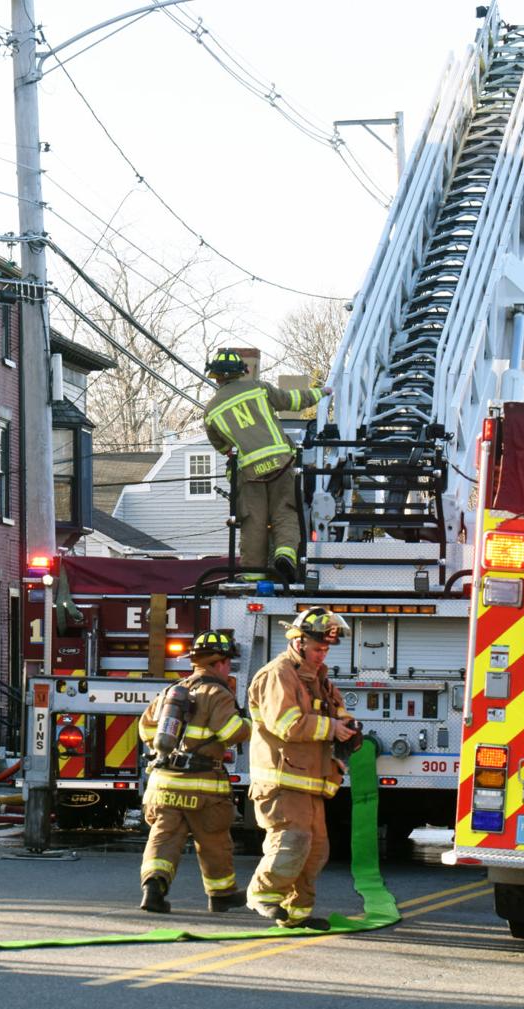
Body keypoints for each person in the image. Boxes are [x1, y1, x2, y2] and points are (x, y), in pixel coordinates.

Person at [245, 607, 358, 929]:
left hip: (310, 781)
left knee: (315, 852)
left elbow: (337, 711)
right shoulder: (277, 674)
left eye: (325, 649)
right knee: (291, 841)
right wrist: (332, 729)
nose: (322, 655)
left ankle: (297, 913)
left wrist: (349, 728)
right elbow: (286, 724)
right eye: (317, 648)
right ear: (298, 643)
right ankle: (263, 894)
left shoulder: (318, 678)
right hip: (282, 780)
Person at [136, 629, 252, 914]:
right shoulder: (217, 693)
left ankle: (154, 888)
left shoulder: (172, 691)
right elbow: (233, 732)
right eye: (229, 663)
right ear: (219, 663)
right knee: (213, 840)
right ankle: (221, 894)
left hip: (163, 783)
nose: (229, 670)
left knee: (163, 837)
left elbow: (145, 729)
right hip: (202, 787)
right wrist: (249, 723)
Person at [203, 348, 331, 583]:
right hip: (281, 465)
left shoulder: (211, 411)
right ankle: (285, 557)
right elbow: (292, 400)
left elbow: (221, 446)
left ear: (217, 377)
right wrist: (321, 393)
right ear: (242, 372)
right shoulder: (259, 389)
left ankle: (253, 576)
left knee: (254, 522)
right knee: (285, 512)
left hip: (250, 474)